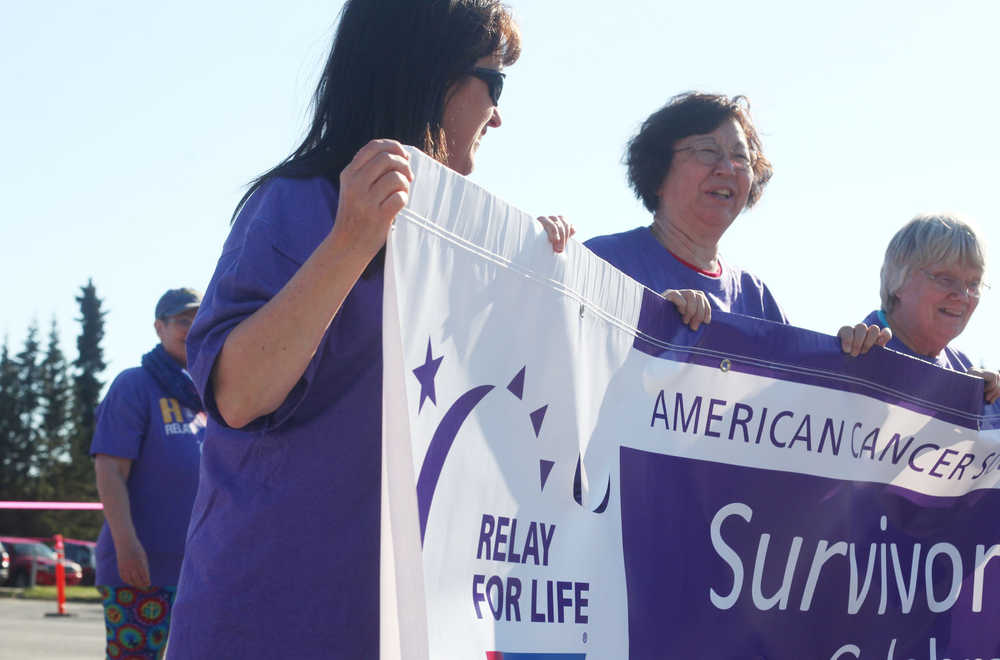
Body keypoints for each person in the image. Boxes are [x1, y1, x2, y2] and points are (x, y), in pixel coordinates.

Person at [167, 2, 568, 657]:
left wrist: (547, 296)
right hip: (275, 618)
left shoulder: (456, 246)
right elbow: (237, 395)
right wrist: (352, 240)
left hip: (406, 628)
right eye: (493, 83)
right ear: (428, 75)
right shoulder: (296, 204)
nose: (499, 114)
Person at [585, 92, 885, 355]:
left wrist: (851, 363)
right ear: (658, 171)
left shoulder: (757, 299)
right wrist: (649, 320)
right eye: (707, 151)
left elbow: (789, 400)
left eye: (741, 157)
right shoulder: (601, 263)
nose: (727, 168)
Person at [91, 287, 204, 660]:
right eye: (181, 320)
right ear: (159, 327)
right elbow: (109, 470)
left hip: (202, 565)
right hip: (142, 567)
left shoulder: (211, 389)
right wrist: (127, 546)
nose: (191, 328)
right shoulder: (134, 385)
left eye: (198, 319)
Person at [842, 213, 998, 403]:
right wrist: (842, 360)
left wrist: (990, 404)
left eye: (974, 284)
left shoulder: (965, 371)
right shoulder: (858, 349)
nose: (963, 296)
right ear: (897, 280)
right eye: (945, 279)